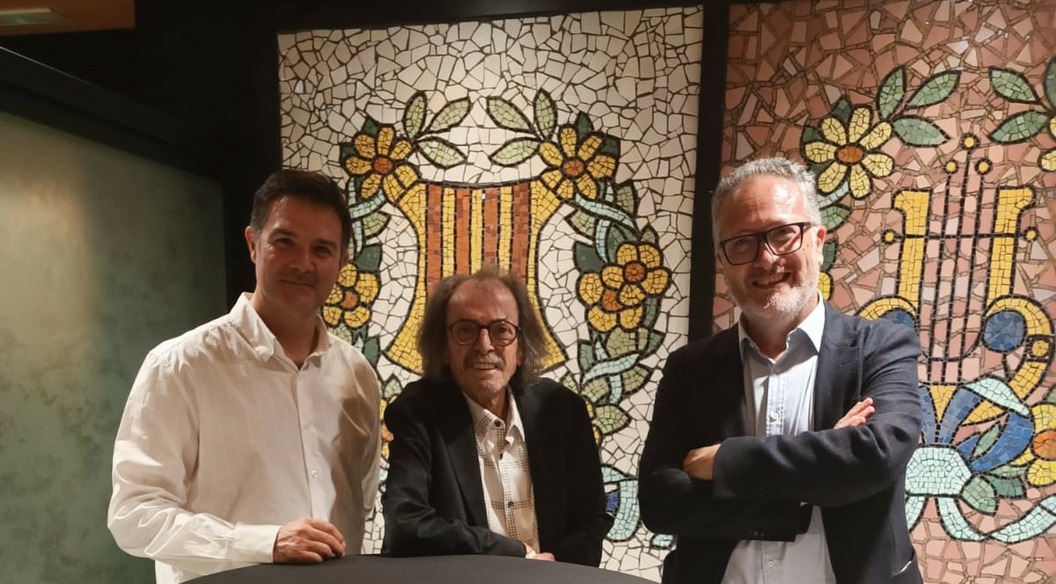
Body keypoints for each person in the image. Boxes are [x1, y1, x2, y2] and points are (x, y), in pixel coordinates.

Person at [639, 157, 923, 584]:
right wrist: (814, 478)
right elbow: (660, 501)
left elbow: (877, 455)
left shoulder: (881, 347)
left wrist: (726, 463)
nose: (766, 258)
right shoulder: (689, 368)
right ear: (721, 261)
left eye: (783, 234)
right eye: (741, 243)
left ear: (818, 241)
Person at [108, 169, 381, 584]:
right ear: (253, 243)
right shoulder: (180, 366)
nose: (302, 263)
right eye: (284, 242)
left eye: (322, 250)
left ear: (342, 261)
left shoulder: (357, 374)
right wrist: (264, 543)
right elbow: (134, 515)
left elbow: (362, 502)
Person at [381, 267, 613, 565]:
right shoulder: (418, 411)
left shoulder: (562, 410)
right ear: (444, 348)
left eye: (501, 330)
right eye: (466, 330)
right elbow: (405, 524)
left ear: (521, 348)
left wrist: (551, 566)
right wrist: (516, 555)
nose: (484, 345)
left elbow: (592, 519)